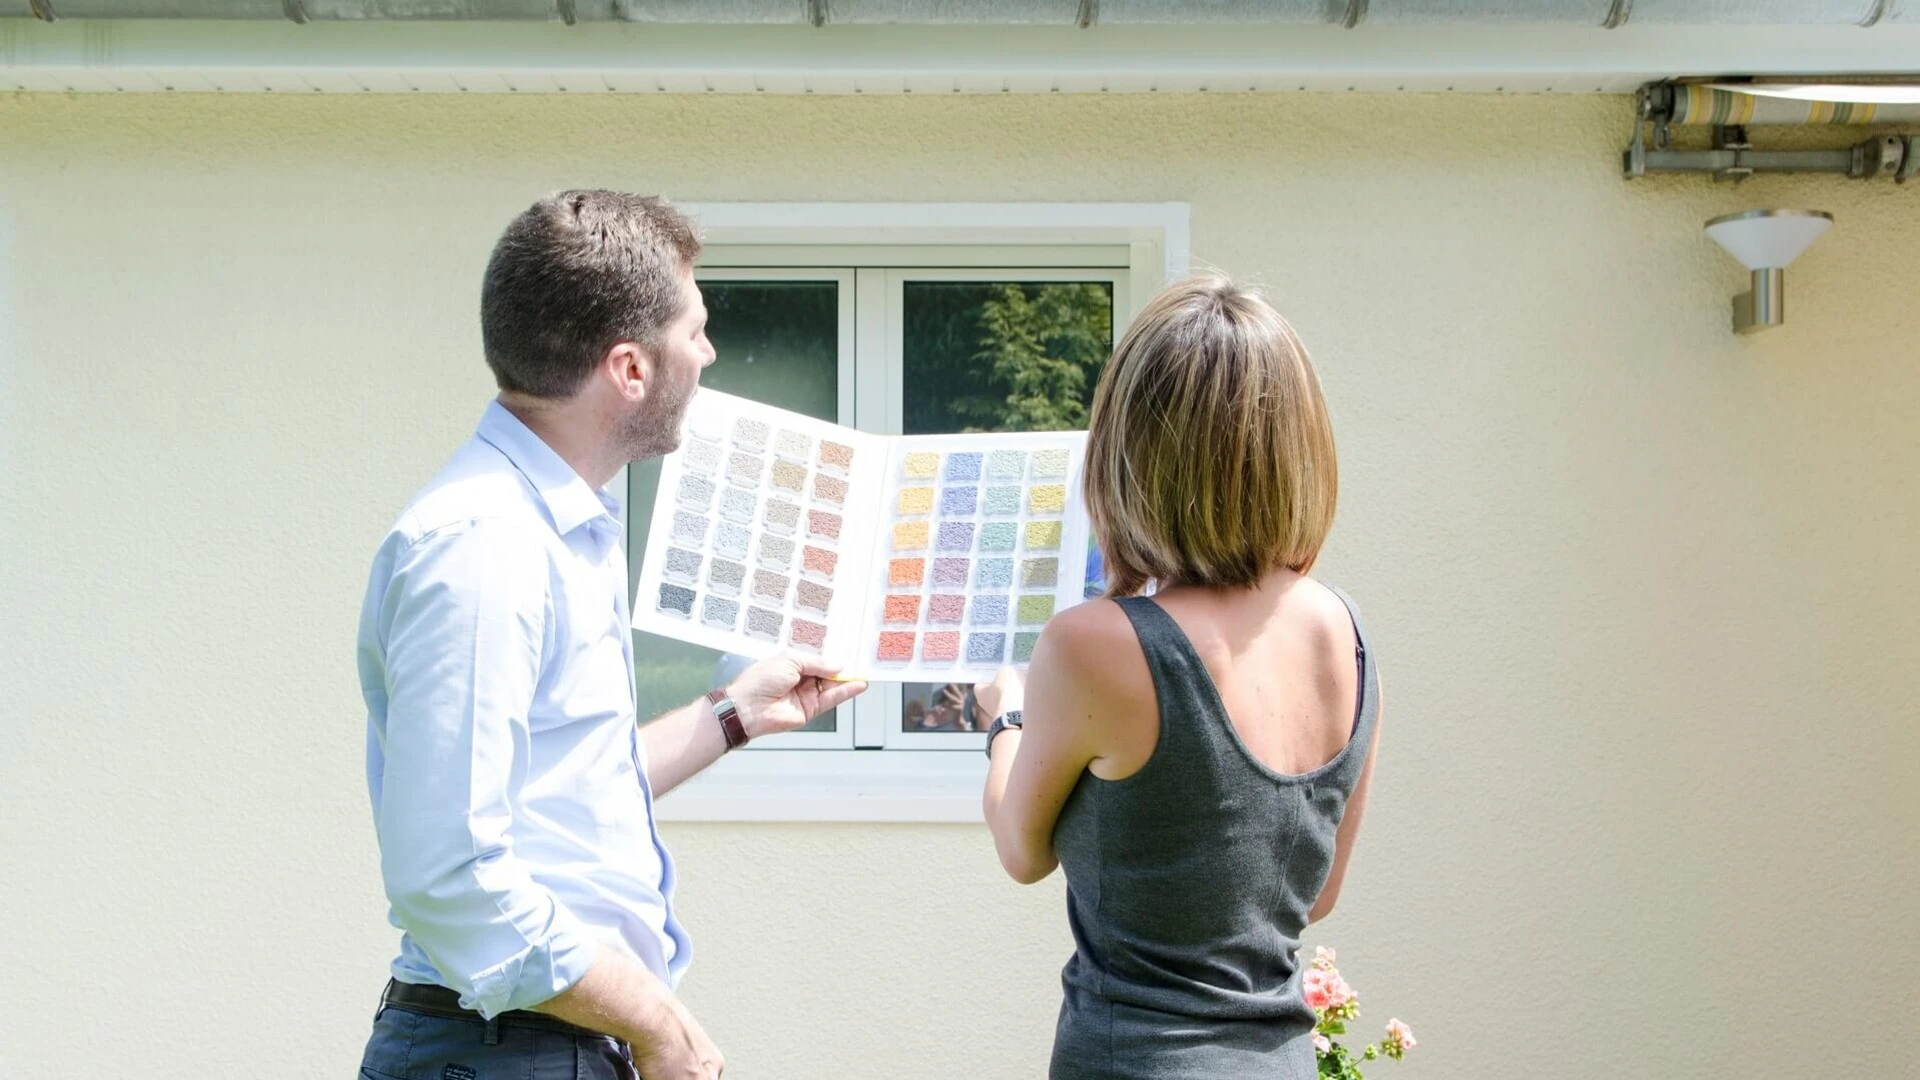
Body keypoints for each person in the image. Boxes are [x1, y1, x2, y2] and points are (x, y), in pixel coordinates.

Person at [355, 190, 866, 1080]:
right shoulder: (486, 545)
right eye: (696, 331)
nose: (708, 354)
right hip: (503, 1054)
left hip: (537, 1046)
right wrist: (659, 1025)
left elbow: (561, 788)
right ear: (629, 368)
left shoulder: (553, 525)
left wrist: (732, 714)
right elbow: (448, 874)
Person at [976, 275, 1382, 1079]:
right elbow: (1319, 891)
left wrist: (1004, 724)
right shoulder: (1344, 630)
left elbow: (1022, 851)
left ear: (1133, 451)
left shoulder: (1096, 644)